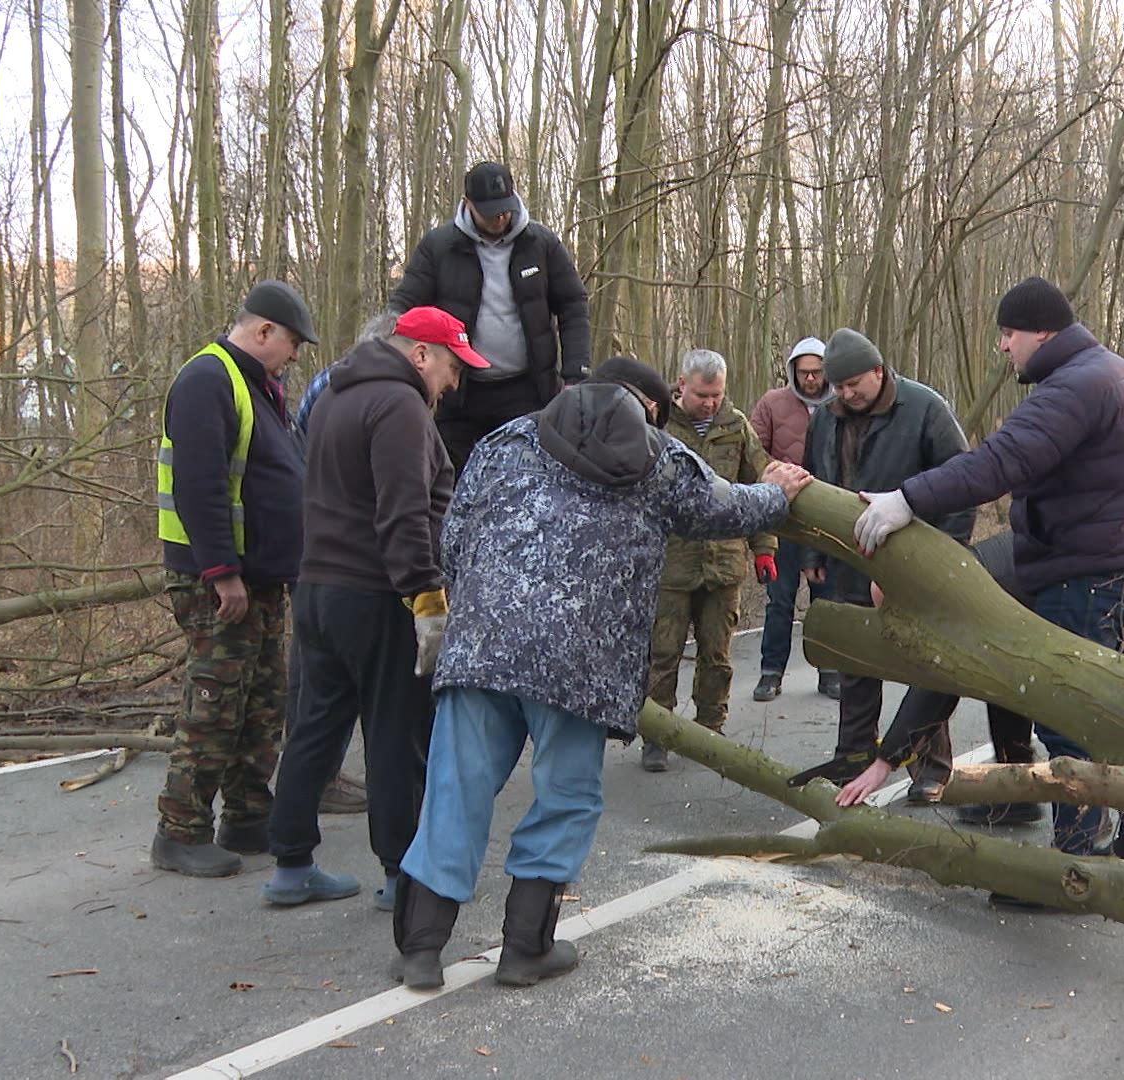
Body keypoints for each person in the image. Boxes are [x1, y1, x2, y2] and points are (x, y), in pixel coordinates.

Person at [389, 364, 810, 991]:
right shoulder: (659, 458)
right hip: (583, 660)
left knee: (456, 788)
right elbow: (723, 507)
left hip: (485, 642)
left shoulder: (505, 442)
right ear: (645, 410)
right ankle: (525, 948)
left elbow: (452, 536)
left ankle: (420, 950)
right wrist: (777, 492)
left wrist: (480, 601)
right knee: (564, 798)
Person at [851, 276, 1124, 897]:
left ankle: (1069, 869)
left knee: (1069, 716)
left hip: (1083, 573)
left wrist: (906, 499)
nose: (1002, 347)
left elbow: (997, 462)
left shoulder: (1072, 388)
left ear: (1040, 331)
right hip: (1120, 563)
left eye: (1009, 334)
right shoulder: (1113, 371)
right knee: (1108, 708)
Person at [263, 307, 485, 910]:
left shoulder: (335, 395)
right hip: (377, 591)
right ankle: (400, 872)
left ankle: (290, 861)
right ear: (419, 354)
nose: (454, 381)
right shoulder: (400, 407)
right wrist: (427, 599)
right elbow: (404, 512)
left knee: (317, 723)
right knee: (394, 735)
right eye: (451, 364)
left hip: (318, 587)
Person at [151, 280, 315, 878]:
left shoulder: (260, 386)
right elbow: (199, 484)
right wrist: (222, 572)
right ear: (263, 330)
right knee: (216, 700)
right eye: (293, 342)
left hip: (263, 577)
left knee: (264, 697)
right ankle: (180, 827)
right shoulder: (207, 380)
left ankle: (248, 814)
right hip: (217, 579)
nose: (297, 355)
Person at [797, 328, 971, 801]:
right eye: (839, 386)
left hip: (914, 560)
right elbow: (812, 486)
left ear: (878, 370)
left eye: (855, 383)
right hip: (845, 556)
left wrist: (949, 557)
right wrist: (812, 553)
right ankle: (852, 758)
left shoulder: (923, 408)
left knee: (922, 662)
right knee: (855, 662)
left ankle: (932, 767)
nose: (846, 393)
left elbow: (961, 480)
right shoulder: (825, 419)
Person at [388, 160, 591, 472]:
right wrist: (383, 353)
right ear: (467, 204)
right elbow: (404, 306)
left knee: (528, 484)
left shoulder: (542, 244)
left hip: (529, 391)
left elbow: (573, 305)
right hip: (461, 392)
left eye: (505, 207)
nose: (500, 217)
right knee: (453, 483)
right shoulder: (439, 248)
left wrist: (575, 374)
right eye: (490, 210)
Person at [833, 533, 1042, 827]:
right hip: (1032, 591)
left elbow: (937, 686)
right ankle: (1018, 796)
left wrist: (884, 762)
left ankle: (1087, 829)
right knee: (1003, 681)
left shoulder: (956, 600)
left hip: (1079, 586)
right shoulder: (946, 576)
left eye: (900, 616)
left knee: (1070, 721)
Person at [287, 309, 404, 818]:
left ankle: (290, 850)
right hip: (361, 571)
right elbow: (395, 500)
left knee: (317, 703)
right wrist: (421, 586)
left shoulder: (328, 387)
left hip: (316, 562)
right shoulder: (391, 401)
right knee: (383, 716)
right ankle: (396, 864)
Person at [640, 349, 777, 772]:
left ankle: (709, 733)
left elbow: (760, 486)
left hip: (724, 561)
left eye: (717, 395)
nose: (711, 403)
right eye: (703, 395)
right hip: (672, 564)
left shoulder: (735, 427)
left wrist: (765, 547)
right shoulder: (656, 424)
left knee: (717, 655)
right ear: (682, 385)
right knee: (662, 654)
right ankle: (657, 737)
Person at [750, 337, 841, 702]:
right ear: (793, 372)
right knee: (780, 598)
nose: (810, 379)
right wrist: (774, 476)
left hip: (827, 518)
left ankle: (830, 671)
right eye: (803, 373)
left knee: (828, 600)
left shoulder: (839, 407)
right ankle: (771, 673)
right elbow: (753, 450)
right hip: (782, 517)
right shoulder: (772, 404)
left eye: (817, 372)